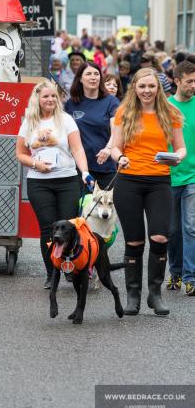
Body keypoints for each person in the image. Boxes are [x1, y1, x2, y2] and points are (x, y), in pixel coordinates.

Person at [111, 68, 186, 316]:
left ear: (158, 88)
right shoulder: (124, 112)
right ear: (134, 87)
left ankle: (155, 294)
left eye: (151, 86)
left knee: (161, 237)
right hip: (129, 181)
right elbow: (115, 147)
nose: (147, 91)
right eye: (142, 86)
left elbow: (181, 147)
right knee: (134, 241)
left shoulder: (171, 113)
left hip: (160, 182)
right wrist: (120, 157)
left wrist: (177, 157)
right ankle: (133, 294)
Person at [16, 79, 93, 289]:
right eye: (46, 96)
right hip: (39, 182)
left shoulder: (66, 120)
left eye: (53, 96)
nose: (50, 100)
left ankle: (70, 267)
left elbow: (77, 149)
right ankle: (52, 273)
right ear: (38, 100)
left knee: (68, 226)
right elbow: (20, 153)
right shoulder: (29, 122)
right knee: (48, 229)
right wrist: (35, 163)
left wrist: (84, 172)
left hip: (67, 179)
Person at [65, 62, 119, 189]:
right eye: (88, 74)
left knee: (106, 208)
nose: (93, 77)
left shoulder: (111, 101)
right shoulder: (71, 103)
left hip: (105, 167)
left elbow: (117, 128)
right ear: (80, 79)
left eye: (96, 74)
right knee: (81, 207)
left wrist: (108, 148)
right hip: (77, 168)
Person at [166, 61, 195, 296]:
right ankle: (174, 273)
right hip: (168, 176)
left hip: (193, 176)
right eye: (189, 81)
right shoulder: (166, 107)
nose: (193, 86)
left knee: (191, 227)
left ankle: (190, 277)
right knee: (172, 230)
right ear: (177, 81)